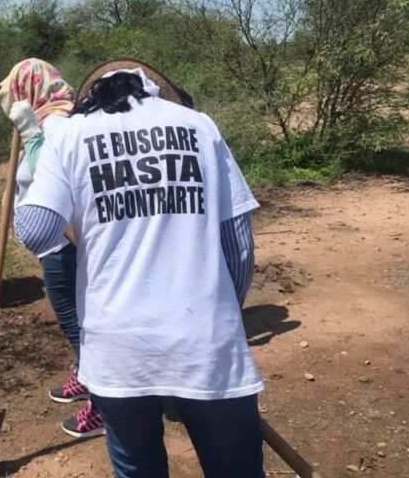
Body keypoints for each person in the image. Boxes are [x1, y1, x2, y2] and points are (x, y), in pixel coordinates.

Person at [14, 59, 264, 478]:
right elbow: (239, 248)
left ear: (89, 98)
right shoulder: (199, 126)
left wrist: (32, 145)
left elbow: (37, 233)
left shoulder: (68, 135)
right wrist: (220, 319)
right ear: (158, 90)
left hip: (118, 353)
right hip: (205, 343)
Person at [0, 58, 105, 438]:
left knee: (76, 319)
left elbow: (54, 172)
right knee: (71, 316)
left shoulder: (58, 122)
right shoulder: (48, 118)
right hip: (54, 242)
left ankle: (103, 404)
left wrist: (30, 133)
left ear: (28, 89)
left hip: (63, 240)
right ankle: (86, 375)